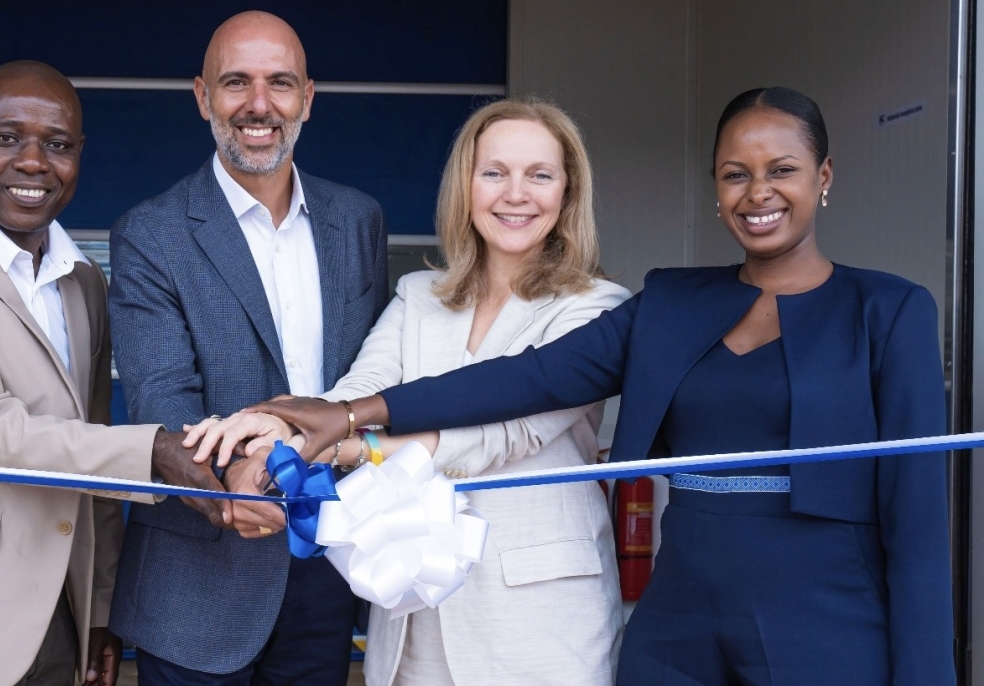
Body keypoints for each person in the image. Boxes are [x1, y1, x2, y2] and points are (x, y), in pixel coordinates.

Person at [247, 88, 955, 685]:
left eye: (784, 170)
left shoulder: (889, 310)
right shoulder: (671, 303)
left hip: (824, 619)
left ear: (824, 177)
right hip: (679, 623)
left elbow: (918, 525)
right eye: (735, 173)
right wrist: (351, 411)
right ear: (714, 187)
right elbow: (532, 377)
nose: (758, 192)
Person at [185, 98, 630, 685]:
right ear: (465, 187)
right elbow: (358, 393)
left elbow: (501, 436)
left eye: (539, 175)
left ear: (568, 193)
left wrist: (331, 445)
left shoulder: (596, 308)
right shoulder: (420, 294)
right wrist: (281, 431)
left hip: (538, 616)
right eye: (494, 172)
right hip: (413, 608)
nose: (515, 194)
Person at [0, 61, 232, 686]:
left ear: (79, 154)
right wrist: (157, 451)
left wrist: (100, 605)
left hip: (59, 610)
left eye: (57, 145)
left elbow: (93, 447)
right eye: (6, 138)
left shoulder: (84, 283)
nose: (33, 162)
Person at [105, 11, 390, 686]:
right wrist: (238, 478)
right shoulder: (150, 233)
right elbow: (162, 397)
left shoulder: (359, 220)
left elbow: (373, 373)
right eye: (236, 83)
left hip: (327, 568)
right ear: (203, 97)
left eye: (279, 84)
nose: (259, 105)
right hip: (199, 579)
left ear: (308, 99)